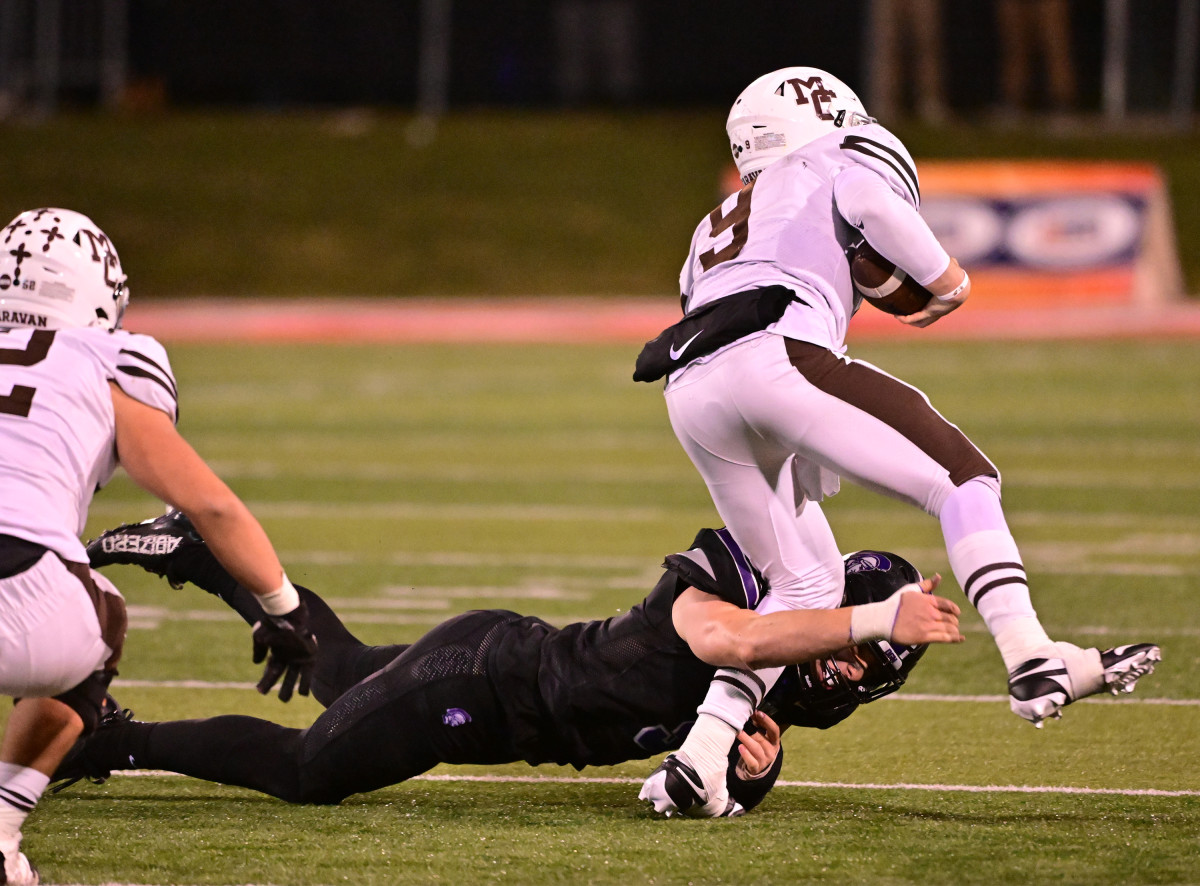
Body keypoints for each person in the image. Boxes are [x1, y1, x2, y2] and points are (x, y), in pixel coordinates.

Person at [631, 68, 1161, 816]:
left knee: (804, 584)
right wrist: (948, 284)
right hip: (778, 357)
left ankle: (700, 757)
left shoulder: (714, 221)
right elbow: (902, 243)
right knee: (965, 479)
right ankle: (1032, 652)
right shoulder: (832, 161)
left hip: (691, 392)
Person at [52, 510, 963, 814]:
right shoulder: (732, 591)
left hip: (498, 682)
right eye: (847, 642)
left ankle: (205, 554)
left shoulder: (789, 688)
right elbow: (735, 645)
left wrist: (750, 767)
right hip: (483, 682)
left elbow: (702, 751)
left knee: (344, 671)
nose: (845, 669)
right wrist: (867, 617)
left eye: (864, 661)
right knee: (308, 774)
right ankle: (104, 741)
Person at [0, 208, 317, 883]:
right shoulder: (103, 357)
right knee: (99, 615)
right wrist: (280, 604)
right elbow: (207, 503)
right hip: (23, 590)